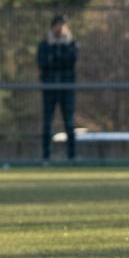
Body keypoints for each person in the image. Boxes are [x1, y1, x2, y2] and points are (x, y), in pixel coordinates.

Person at [38, 14, 78, 163]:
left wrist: (55, 58)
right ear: (52, 26)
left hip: (67, 89)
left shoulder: (71, 44)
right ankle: (46, 156)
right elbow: (43, 63)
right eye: (57, 24)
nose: (60, 27)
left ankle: (72, 157)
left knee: (69, 123)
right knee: (47, 123)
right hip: (49, 89)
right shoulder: (45, 44)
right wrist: (57, 59)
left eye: (62, 24)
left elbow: (70, 62)